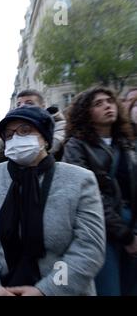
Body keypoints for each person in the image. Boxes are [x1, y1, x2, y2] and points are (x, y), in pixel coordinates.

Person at [0, 106, 105, 296]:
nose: (16, 138)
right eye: (8, 135)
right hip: (3, 288)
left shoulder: (80, 179)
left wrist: (46, 290)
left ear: (45, 137)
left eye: (25, 131)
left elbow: (89, 247)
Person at [62, 87, 137, 296]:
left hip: (131, 223)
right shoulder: (76, 146)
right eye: (98, 103)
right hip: (100, 227)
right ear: (85, 113)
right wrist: (125, 235)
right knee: (108, 289)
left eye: (109, 101)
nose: (107, 106)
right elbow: (88, 196)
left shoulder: (127, 144)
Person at [0, 90, 66, 164]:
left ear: (43, 106)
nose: (22, 107)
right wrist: (9, 135)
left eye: (29, 103)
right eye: (18, 104)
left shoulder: (60, 125)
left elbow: (51, 148)